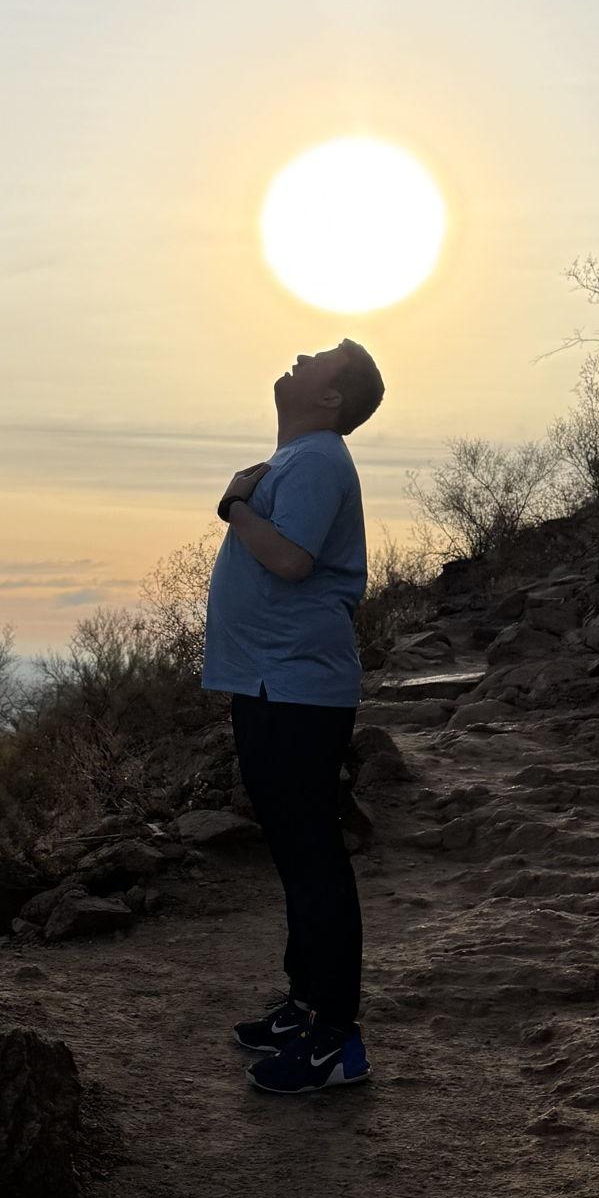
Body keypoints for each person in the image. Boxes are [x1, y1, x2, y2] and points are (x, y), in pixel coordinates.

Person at [202, 339, 384, 1094]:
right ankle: (306, 1005)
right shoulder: (299, 460)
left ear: (331, 398)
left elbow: (291, 560)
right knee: (296, 854)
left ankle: (335, 1041)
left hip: (297, 689)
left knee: (312, 859)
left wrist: (236, 505)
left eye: (320, 357)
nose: (301, 354)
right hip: (276, 685)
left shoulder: (315, 460)